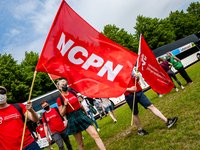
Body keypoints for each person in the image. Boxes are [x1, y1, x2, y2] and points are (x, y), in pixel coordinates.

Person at [56, 79, 106, 150]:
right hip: (72, 119)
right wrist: (65, 104)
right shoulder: (60, 99)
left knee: (95, 135)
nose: (65, 86)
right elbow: (62, 114)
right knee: (80, 143)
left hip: (81, 115)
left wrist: (86, 113)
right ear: (59, 88)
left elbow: (80, 105)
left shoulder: (73, 92)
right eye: (63, 85)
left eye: (65, 84)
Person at [0, 86, 41, 150]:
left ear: (6, 94)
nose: (0, 95)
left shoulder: (19, 106)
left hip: (30, 144)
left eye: (2, 92)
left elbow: (35, 119)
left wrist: (31, 110)